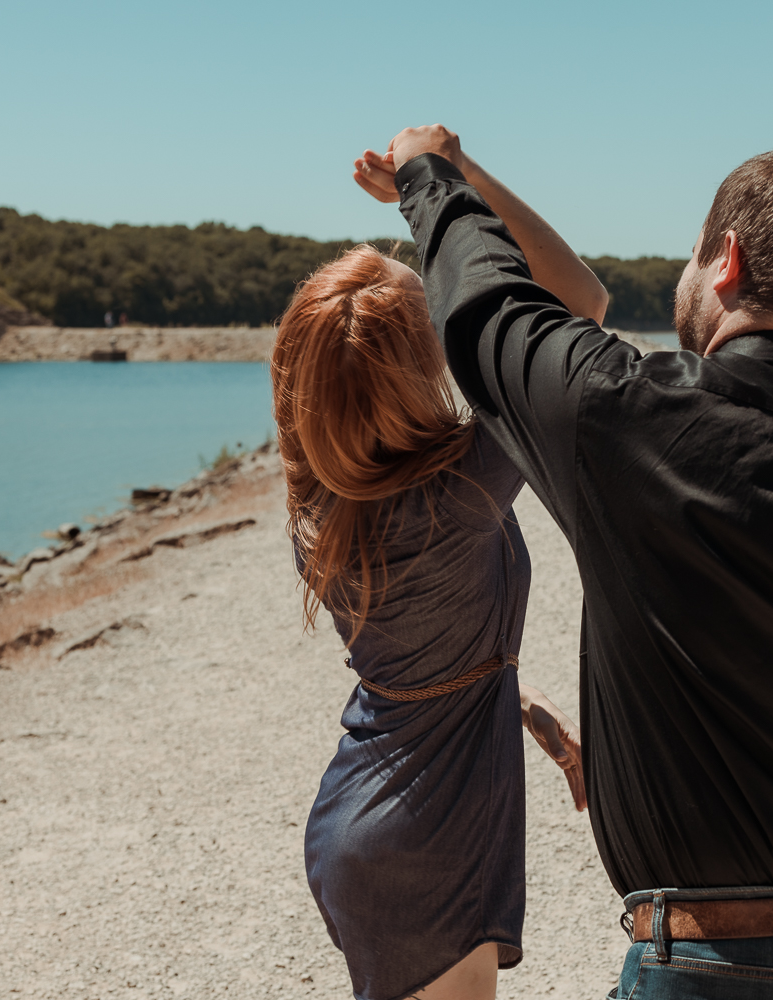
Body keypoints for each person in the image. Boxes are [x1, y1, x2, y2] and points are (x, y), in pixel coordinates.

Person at [360, 126, 773, 999]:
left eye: (692, 255)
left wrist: (428, 172)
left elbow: (488, 314)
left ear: (727, 261)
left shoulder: (632, 419)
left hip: (725, 966)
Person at [272, 149, 606, 1000]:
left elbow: (418, 658)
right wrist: (452, 179)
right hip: (427, 835)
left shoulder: (321, 495)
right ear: (424, 365)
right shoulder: (463, 484)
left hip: (362, 812)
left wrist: (523, 713)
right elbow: (582, 305)